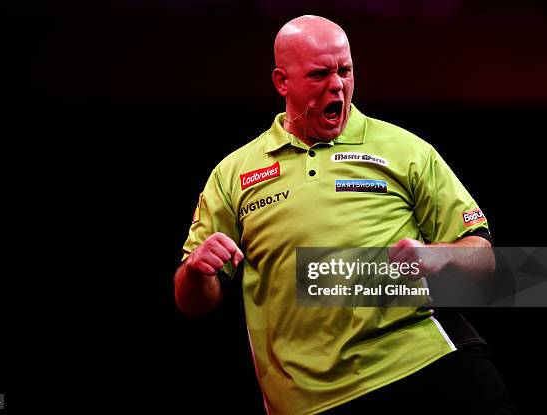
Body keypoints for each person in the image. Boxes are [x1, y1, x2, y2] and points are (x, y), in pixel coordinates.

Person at [174, 15, 516, 415]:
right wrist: (197, 270)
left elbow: (486, 262)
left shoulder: (406, 149)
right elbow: (191, 301)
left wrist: (439, 256)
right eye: (319, 73)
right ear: (282, 82)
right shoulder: (233, 173)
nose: (337, 84)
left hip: (426, 362)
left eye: (345, 70)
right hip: (313, 400)